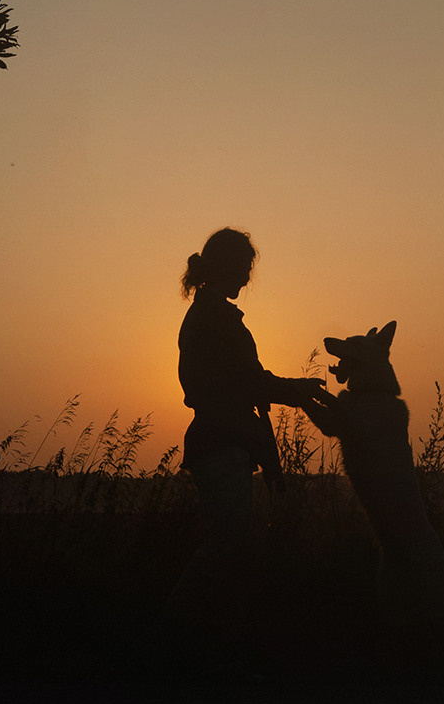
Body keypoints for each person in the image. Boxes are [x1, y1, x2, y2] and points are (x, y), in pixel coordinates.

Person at [165, 226, 333, 627]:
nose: (245, 278)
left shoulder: (211, 315)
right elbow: (249, 383)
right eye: (242, 268)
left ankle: (205, 640)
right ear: (226, 267)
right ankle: (175, 634)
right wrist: (299, 390)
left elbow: (245, 387)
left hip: (223, 446)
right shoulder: (213, 318)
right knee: (228, 550)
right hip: (220, 446)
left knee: (232, 552)